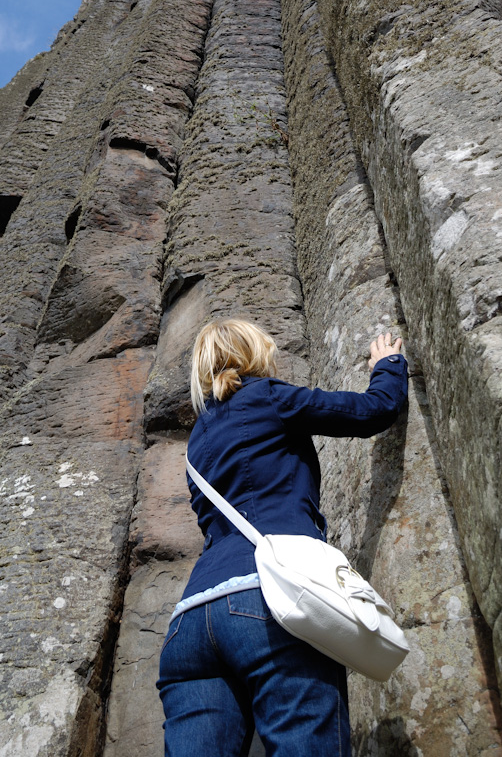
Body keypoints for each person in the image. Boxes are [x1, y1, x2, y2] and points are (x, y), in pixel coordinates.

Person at [157, 318, 408, 757]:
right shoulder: (267, 397)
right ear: (255, 354)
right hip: (265, 603)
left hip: (190, 623)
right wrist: (389, 365)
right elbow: (373, 411)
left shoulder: (196, 441)